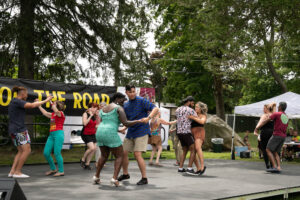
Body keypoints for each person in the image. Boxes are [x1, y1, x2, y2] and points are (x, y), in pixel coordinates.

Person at [93, 92, 142, 186]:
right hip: (110, 133)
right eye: (123, 100)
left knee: (103, 156)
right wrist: (138, 121)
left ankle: (96, 177)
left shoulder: (103, 108)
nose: (124, 102)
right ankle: (114, 179)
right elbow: (126, 123)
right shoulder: (119, 108)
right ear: (118, 99)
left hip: (100, 132)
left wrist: (118, 130)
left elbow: (107, 122)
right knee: (120, 156)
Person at [118, 84, 159, 185]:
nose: (132, 94)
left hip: (142, 131)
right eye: (130, 92)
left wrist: (148, 118)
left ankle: (144, 178)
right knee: (123, 153)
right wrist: (124, 128)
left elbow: (155, 109)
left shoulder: (141, 100)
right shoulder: (126, 105)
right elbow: (129, 120)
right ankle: (125, 174)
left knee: (137, 154)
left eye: (133, 91)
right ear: (126, 92)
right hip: (131, 132)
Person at [8, 86, 53, 178]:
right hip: (19, 129)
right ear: (23, 94)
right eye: (26, 94)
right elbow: (32, 106)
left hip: (13, 130)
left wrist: (37, 103)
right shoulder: (18, 101)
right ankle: (17, 172)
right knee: (27, 150)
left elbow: (31, 104)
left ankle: (12, 172)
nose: (27, 96)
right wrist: (46, 100)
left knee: (20, 151)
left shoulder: (14, 101)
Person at [255, 102, 288, 172]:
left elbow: (265, 121)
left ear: (280, 107)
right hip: (283, 136)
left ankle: (274, 166)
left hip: (276, 135)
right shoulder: (286, 116)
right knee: (275, 152)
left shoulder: (276, 114)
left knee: (268, 150)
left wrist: (257, 128)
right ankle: (279, 167)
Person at [37, 100, 66, 177]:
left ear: (57, 106)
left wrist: (51, 101)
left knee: (57, 153)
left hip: (58, 134)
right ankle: (53, 169)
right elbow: (45, 113)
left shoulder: (61, 113)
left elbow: (56, 111)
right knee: (46, 153)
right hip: (51, 135)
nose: (52, 105)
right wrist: (39, 105)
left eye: (54, 104)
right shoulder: (53, 114)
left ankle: (61, 171)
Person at [175, 96, 200, 175]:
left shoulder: (177, 109)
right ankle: (189, 168)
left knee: (185, 150)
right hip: (187, 132)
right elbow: (198, 119)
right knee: (193, 150)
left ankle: (181, 167)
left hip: (179, 132)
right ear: (189, 102)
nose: (193, 105)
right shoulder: (191, 110)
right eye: (192, 103)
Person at [188, 101, 207, 175]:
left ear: (200, 108)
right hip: (192, 133)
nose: (195, 108)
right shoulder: (193, 114)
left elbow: (202, 122)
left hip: (199, 132)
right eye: (195, 107)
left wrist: (193, 117)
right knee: (193, 150)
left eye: (197, 107)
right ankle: (198, 168)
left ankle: (202, 166)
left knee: (198, 148)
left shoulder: (203, 115)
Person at [254, 103, 276, 169]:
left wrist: (256, 129)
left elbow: (259, 124)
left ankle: (267, 165)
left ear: (267, 109)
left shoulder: (264, 115)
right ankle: (272, 164)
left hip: (265, 132)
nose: (263, 110)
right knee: (271, 149)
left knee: (264, 149)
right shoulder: (274, 115)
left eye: (264, 108)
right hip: (272, 133)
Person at [80, 103, 100, 170]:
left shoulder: (95, 115)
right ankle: (83, 159)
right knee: (91, 148)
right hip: (85, 133)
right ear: (89, 108)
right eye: (93, 107)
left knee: (94, 148)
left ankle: (87, 164)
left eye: (96, 108)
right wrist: (90, 116)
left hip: (92, 133)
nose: (95, 109)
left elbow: (94, 125)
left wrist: (99, 126)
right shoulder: (85, 114)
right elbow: (85, 123)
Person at [95, 102, 107, 168]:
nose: (102, 107)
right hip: (98, 132)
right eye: (101, 106)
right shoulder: (97, 113)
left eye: (103, 106)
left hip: (104, 131)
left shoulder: (106, 113)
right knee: (98, 148)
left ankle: (102, 162)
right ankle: (97, 162)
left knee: (104, 148)